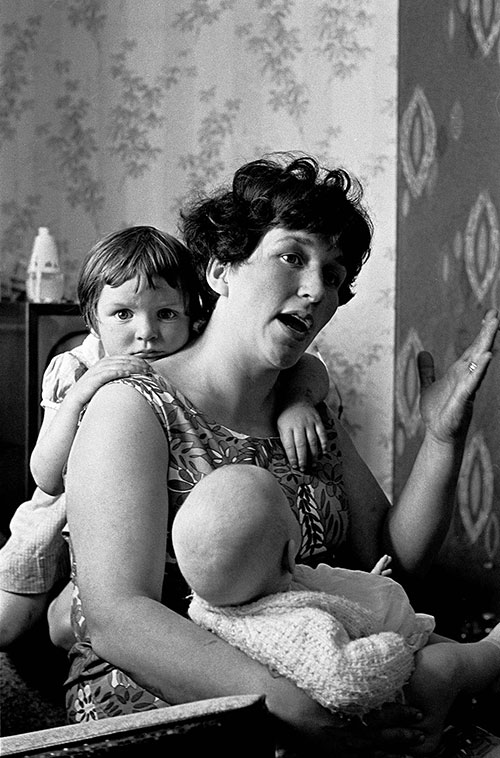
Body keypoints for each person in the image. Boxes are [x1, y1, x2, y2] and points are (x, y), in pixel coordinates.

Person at [63, 154, 499, 755]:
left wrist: (443, 440)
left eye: (334, 272)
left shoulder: (310, 408)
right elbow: (117, 618)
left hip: (316, 668)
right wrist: (289, 707)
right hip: (168, 692)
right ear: (219, 268)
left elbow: (395, 559)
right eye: (292, 256)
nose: (318, 290)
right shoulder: (134, 407)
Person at [0, 223, 330, 653]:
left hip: (130, 499)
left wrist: (298, 402)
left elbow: (311, 365)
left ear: (192, 315)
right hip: (55, 511)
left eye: (166, 314)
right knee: (9, 625)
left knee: (86, 613)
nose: (146, 333)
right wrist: (82, 393)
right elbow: (46, 476)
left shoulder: (192, 356)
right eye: (123, 314)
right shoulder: (77, 366)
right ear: (91, 320)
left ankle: (77, 605)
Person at [172, 463, 500, 755]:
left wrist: (364, 589)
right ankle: (493, 649)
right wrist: (395, 647)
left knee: (446, 653)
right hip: (384, 696)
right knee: (442, 664)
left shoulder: (223, 603)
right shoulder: (298, 626)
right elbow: (351, 679)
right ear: (289, 556)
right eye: (288, 508)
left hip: (363, 662)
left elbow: (323, 594)